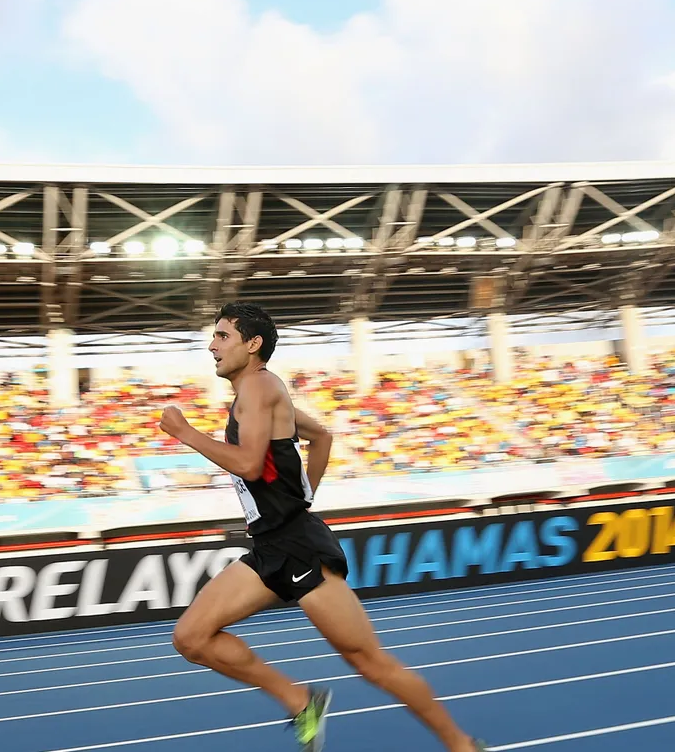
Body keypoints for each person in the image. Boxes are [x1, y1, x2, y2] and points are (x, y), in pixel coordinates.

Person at [158, 301, 485, 752]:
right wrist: (304, 492)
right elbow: (322, 436)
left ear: (252, 345)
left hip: (297, 545)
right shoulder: (257, 393)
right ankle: (299, 701)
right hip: (272, 543)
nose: (211, 346)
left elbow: (251, 465)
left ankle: (461, 745)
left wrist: (185, 433)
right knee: (191, 637)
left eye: (222, 336)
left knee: (369, 662)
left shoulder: (259, 386)